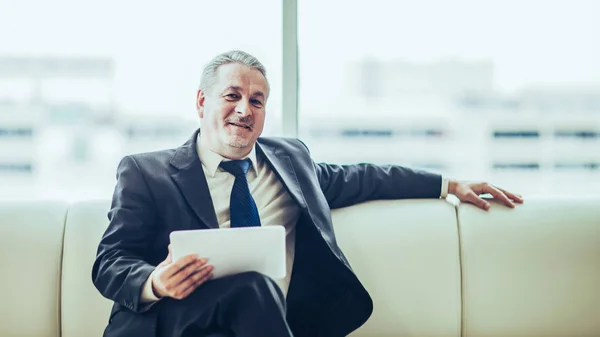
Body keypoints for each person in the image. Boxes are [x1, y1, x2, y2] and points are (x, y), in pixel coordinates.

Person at [92, 50, 523, 337]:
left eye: (257, 101)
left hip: (262, 325)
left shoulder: (289, 161)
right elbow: (109, 262)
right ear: (202, 102)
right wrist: (154, 281)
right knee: (254, 287)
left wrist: (448, 185)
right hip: (172, 322)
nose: (245, 109)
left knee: (259, 294)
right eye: (233, 95)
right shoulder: (145, 171)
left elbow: (365, 177)